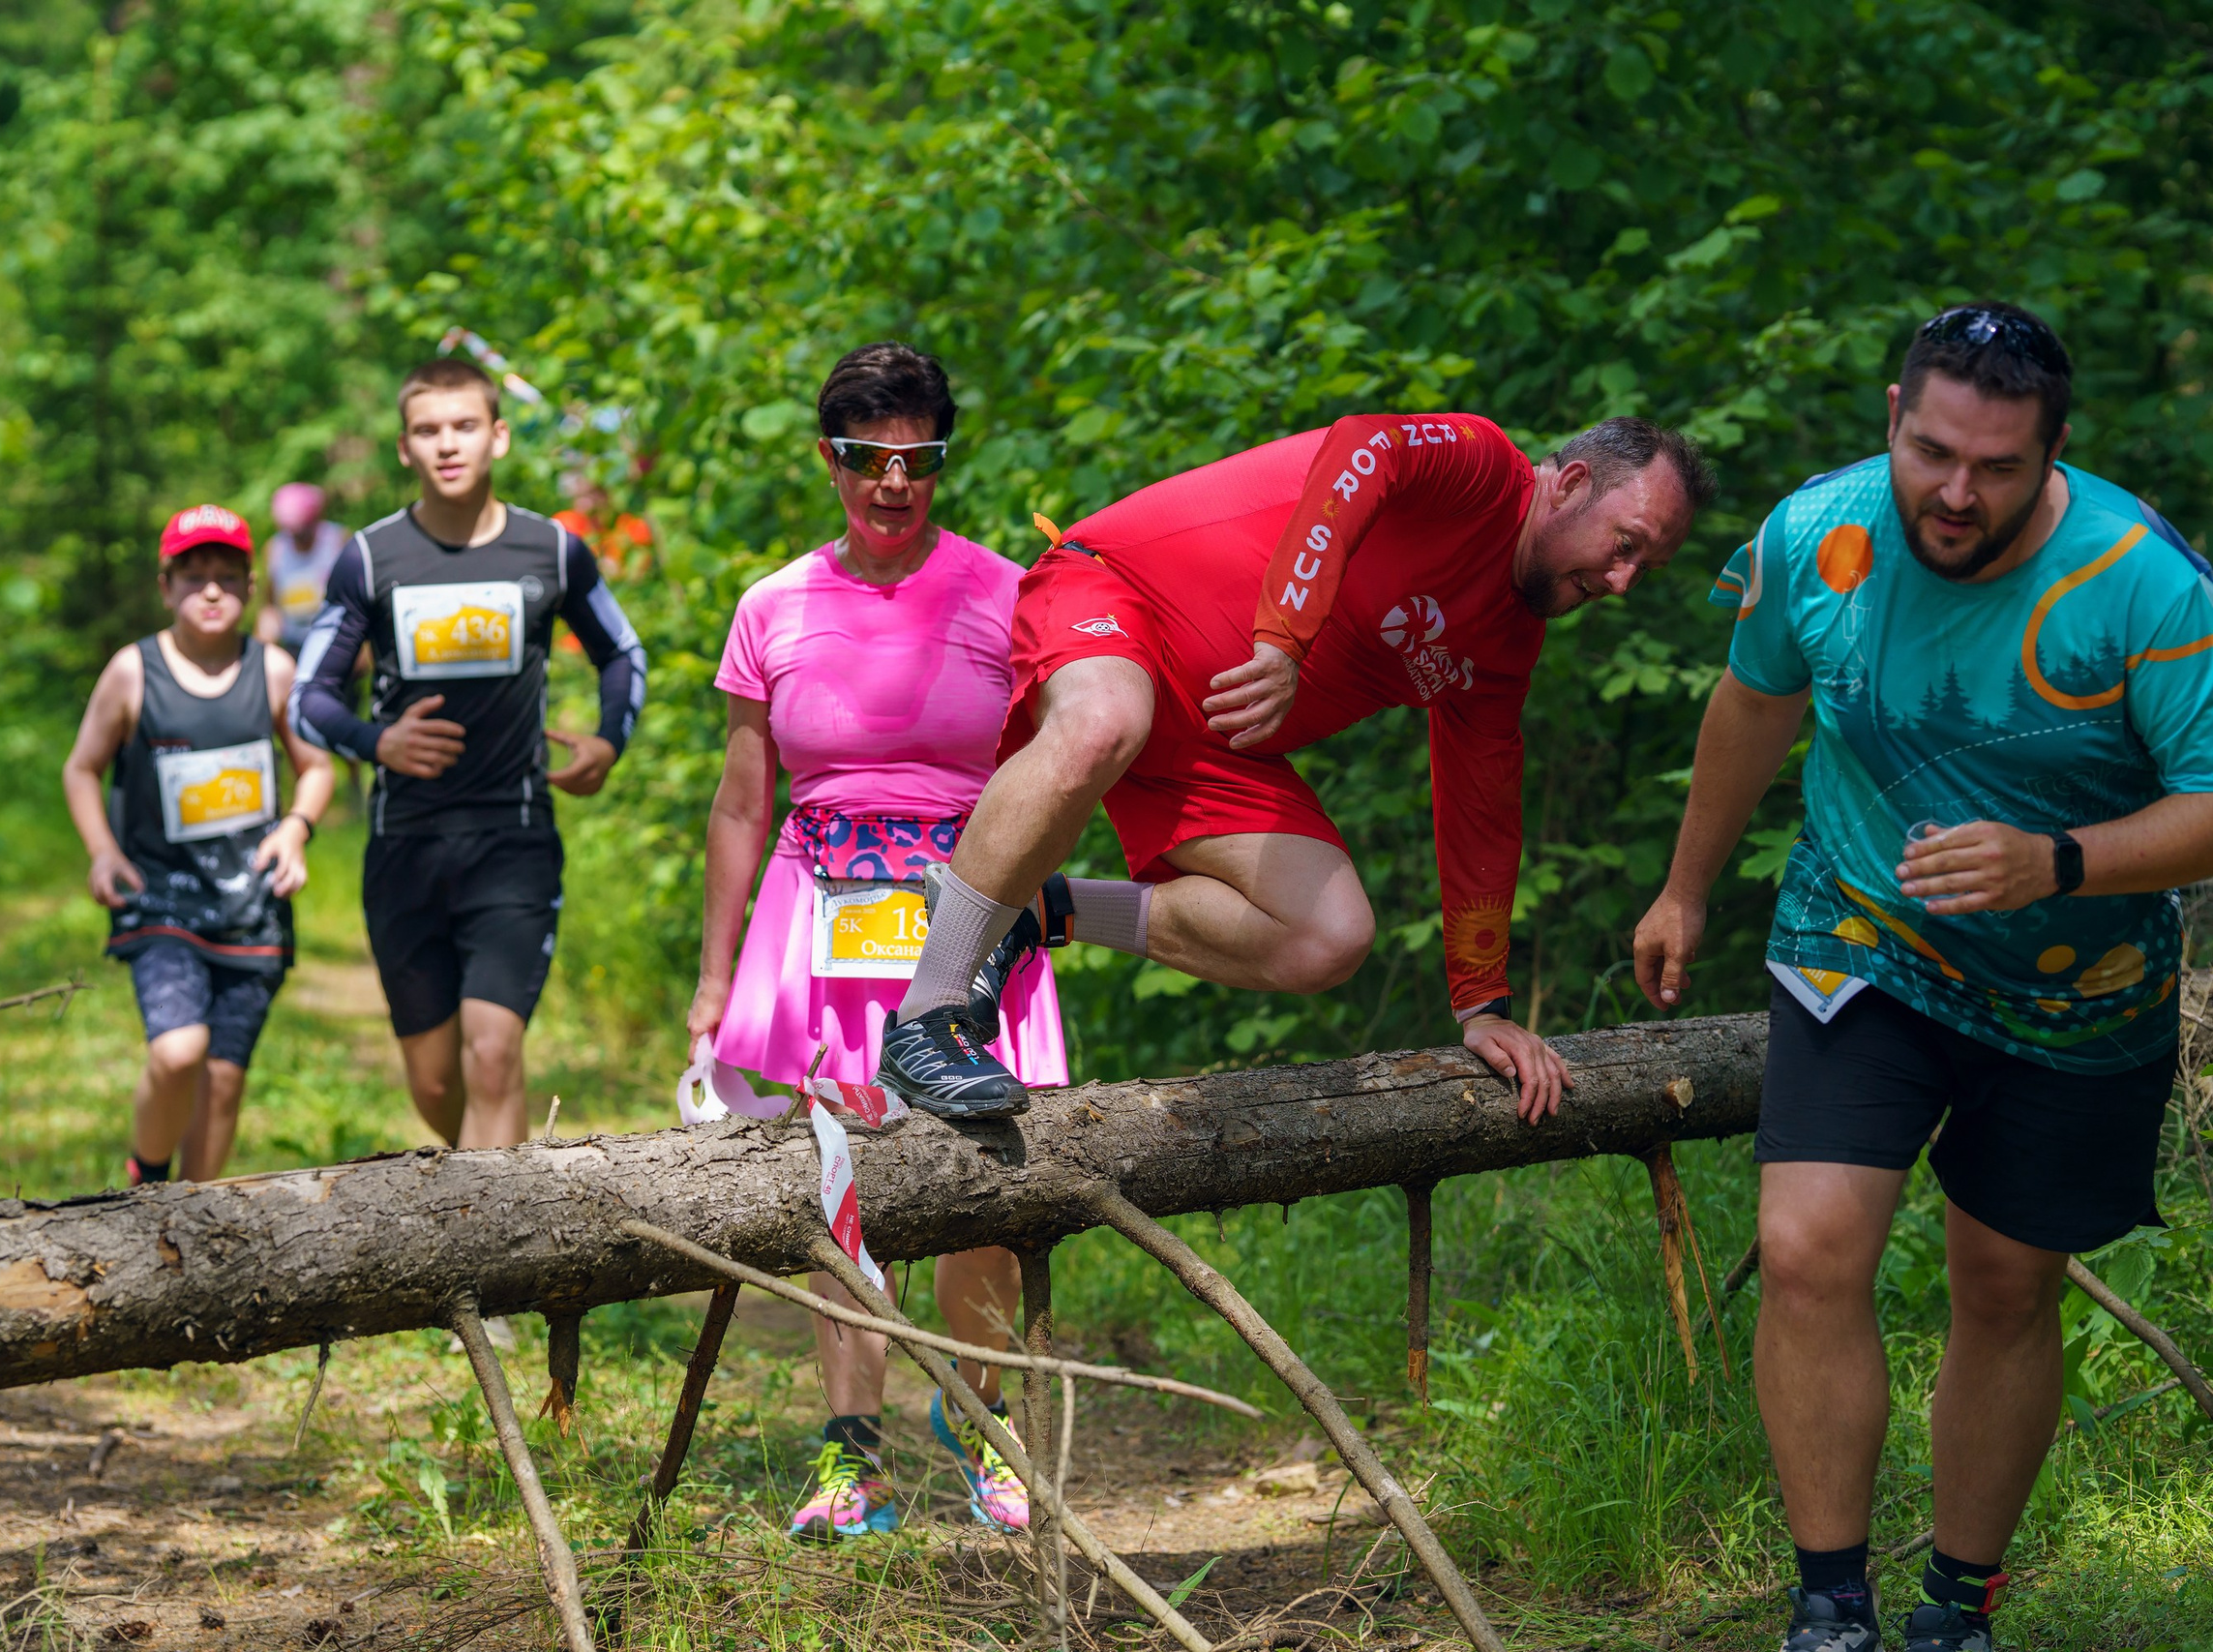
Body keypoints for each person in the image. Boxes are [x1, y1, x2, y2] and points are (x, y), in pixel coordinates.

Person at [1630, 305, 2213, 1652]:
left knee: (2007, 1282)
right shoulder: (1814, 535)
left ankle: (1960, 1602)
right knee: (1805, 1248)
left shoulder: (2143, 581)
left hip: (2077, 980)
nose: (1957, 491)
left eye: (1998, 467)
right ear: (1895, 411)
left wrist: (2055, 860)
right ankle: (1830, 1603)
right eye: (1933, 450)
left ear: (2055, 452)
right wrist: (1685, 886)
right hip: (1862, 937)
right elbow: (1754, 703)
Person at [876, 410, 1715, 1119]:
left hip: (1212, 729)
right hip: (1115, 596)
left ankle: (1038, 915)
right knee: (1103, 722)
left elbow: (1482, 803)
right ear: (1568, 486)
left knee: (1328, 935)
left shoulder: (1506, 642)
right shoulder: (1481, 465)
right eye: (1625, 544)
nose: (1624, 581)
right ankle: (926, 1017)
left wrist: (1482, 1004)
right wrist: (1285, 637)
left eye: (1648, 566)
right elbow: (1362, 447)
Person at [687, 343, 1065, 1544]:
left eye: (918, 462)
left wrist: (1042, 907)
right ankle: (853, 1461)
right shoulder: (773, 604)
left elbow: (1057, 771)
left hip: (970, 907)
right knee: (835, 1181)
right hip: (819, 909)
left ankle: (982, 1430)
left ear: (942, 462)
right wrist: (710, 980)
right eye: (867, 460)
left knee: (991, 1179)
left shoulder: (1011, 592)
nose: (892, 485)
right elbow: (744, 803)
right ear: (831, 460)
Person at [291, 358, 646, 1149]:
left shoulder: (553, 551)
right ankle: (477, 1196)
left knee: (494, 1055)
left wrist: (607, 741)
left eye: (463, 426)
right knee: (436, 1079)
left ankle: (506, 1259)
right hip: (405, 846)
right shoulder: (370, 558)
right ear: (403, 448)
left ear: (499, 435)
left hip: (512, 840)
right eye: (427, 430)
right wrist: (377, 741)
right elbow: (308, 697)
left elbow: (622, 654)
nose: (447, 444)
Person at [62, 504, 335, 1185]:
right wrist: (103, 850)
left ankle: (195, 1225)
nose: (209, 589)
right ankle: (147, 1185)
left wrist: (296, 828)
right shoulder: (134, 671)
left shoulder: (272, 669)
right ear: (166, 587)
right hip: (161, 900)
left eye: (226, 575)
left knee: (220, 1080)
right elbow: (81, 768)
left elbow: (318, 765)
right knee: (180, 1051)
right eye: (192, 575)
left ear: (250, 587)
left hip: (253, 905)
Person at [256, 483, 350, 656]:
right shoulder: (275, 549)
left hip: (335, 641)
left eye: (303, 532)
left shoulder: (337, 540)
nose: (297, 538)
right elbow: (269, 603)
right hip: (293, 643)